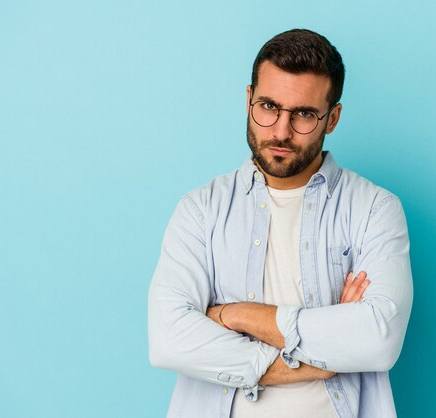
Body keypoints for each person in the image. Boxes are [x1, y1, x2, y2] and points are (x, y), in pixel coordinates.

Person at [148, 28, 413, 418]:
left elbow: (378, 340)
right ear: (248, 100)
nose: (280, 131)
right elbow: (168, 340)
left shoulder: (375, 209)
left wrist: (234, 315)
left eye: (304, 114)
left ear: (333, 118)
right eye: (268, 107)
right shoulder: (200, 210)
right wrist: (321, 355)